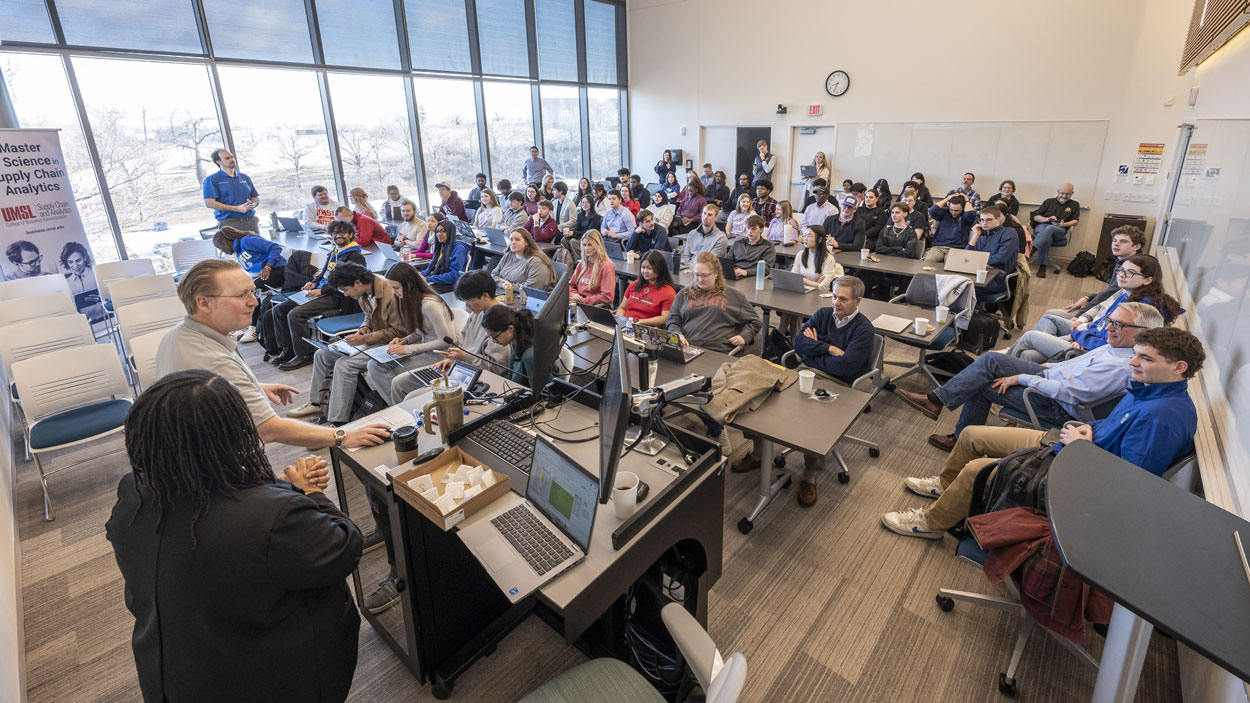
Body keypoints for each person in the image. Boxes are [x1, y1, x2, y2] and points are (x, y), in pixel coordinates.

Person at [106, 370, 363, 703]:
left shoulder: (134, 493)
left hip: (176, 672)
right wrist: (310, 493)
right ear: (231, 433)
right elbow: (344, 547)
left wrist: (286, 492)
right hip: (266, 677)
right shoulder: (271, 517)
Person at [882, 326, 1203, 540]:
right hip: (1070, 445)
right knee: (971, 436)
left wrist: (1083, 446)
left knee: (976, 470)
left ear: (1179, 368)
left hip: (1076, 470)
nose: (1132, 362)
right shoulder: (1147, 388)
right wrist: (1087, 429)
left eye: (1145, 358)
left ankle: (932, 523)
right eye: (1135, 353)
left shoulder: (1163, 418)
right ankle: (945, 488)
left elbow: (1125, 482)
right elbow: (1109, 428)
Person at [156, 259, 387, 449]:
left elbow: (213, 385)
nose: (254, 301)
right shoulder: (210, 358)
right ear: (204, 303)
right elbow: (268, 428)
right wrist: (343, 436)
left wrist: (253, 385)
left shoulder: (178, 336)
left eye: (252, 292)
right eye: (242, 295)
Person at [897, 302, 1163, 449]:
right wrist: (1045, 369)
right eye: (1110, 321)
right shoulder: (1118, 346)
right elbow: (1073, 373)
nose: (1109, 328)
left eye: (1118, 324)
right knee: (991, 360)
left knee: (982, 384)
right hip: (1052, 379)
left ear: (1143, 331)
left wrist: (1022, 378)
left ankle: (953, 428)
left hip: (1058, 405)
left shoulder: (1123, 365)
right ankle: (937, 401)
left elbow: (1068, 393)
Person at [286, 263, 406, 426]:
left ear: (357, 283)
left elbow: (399, 333)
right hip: (375, 340)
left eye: (345, 290)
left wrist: (364, 339)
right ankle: (317, 404)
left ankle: (338, 420)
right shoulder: (365, 291)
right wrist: (364, 328)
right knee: (321, 355)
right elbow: (368, 315)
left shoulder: (389, 294)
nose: (346, 295)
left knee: (345, 365)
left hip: (391, 345)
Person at [1009, 254, 1181, 362]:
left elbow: (1111, 340)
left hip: (1092, 353)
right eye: (1121, 270)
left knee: (1031, 338)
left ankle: (1004, 363)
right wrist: (1079, 334)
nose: (1121, 275)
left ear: (1148, 280)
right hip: (1087, 341)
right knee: (1029, 354)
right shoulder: (1126, 293)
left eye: (1129, 273)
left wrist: (1079, 337)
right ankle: (1011, 370)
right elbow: (1100, 325)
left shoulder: (1140, 307)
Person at [270, 219, 368, 369]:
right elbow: (324, 273)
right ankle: (287, 349)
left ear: (350, 234)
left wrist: (322, 290)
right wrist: (314, 283)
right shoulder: (335, 251)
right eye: (334, 232)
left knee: (295, 314)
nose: (338, 235)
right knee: (279, 309)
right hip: (319, 291)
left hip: (336, 296)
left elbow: (349, 283)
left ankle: (304, 354)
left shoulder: (354, 256)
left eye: (342, 232)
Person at [363, 262, 458, 404]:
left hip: (439, 355)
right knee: (373, 365)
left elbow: (445, 340)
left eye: (396, 288)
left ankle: (398, 408)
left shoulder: (430, 304)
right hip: (425, 350)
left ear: (409, 285)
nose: (394, 292)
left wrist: (407, 348)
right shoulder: (414, 300)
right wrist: (405, 340)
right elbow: (422, 330)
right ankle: (396, 405)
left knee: (394, 376)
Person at [667, 251, 762, 353]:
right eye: (696, 275)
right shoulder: (683, 294)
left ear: (716, 274)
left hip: (718, 350)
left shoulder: (734, 296)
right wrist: (678, 335)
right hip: (687, 348)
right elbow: (673, 321)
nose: (700, 279)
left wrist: (744, 336)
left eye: (705, 275)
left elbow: (756, 321)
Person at [1048, 226, 1146, 321]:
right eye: (1115, 240)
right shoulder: (1122, 262)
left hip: (1111, 313)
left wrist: (1080, 315)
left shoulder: (1131, 269)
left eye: (1123, 241)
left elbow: (1109, 294)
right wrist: (1088, 297)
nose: (1116, 244)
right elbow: (1110, 291)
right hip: (1106, 305)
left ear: (1136, 246)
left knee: (1050, 315)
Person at [431, 271, 511, 377]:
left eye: (470, 301)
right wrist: (453, 359)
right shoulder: (476, 313)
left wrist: (464, 357)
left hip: (482, 376)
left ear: (485, 296)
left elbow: (497, 368)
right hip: (464, 368)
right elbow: (463, 344)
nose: (467, 306)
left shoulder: (500, 320)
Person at [212, 226, 286, 334]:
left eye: (220, 248)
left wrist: (267, 267)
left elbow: (275, 247)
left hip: (277, 270)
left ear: (225, 243)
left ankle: (253, 328)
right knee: (238, 290)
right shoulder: (237, 251)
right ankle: (245, 324)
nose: (222, 251)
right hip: (261, 275)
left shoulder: (247, 241)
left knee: (250, 291)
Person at [481, 304, 545, 385]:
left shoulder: (530, 356)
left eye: (495, 336)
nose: (494, 341)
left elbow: (540, 393)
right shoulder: (514, 343)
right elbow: (511, 378)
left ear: (510, 329)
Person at [1029, 183, 1080, 278]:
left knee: (1050, 228)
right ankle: (1042, 267)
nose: (1064, 196)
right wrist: (1047, 219)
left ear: (1072, 193)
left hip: (1059, 230)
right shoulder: (1048, 201)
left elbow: (1075, 221)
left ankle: (1032, 249)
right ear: (1058, 191)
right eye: (1062, 193)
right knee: (1046, 236)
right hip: (1042, 226)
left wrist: (1063, 224)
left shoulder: (1074, 204)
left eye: (1067, 194)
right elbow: (1036, 217)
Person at [202, 148, 259, 232]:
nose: (232, 160)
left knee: (257, 245)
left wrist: (253, 204)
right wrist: (236, 208)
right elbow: (209, 203)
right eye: (227, 158)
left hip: (251, 222)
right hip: (229, 224)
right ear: (218, 162)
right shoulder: (212, 180)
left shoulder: (245, 177)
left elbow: (255, 197)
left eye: (232, 157)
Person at [966, 204, 1019, 295]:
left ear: (998, 219)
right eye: (982, 220)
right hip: (978, 274)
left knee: (964, 287)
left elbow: (1000, 259)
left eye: (989, 220)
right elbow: (966, 258)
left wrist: (976, 261)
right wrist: (975, 236)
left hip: (997, 278)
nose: (984, 223)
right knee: (953, 283)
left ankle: (974, 309)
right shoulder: (981, 236)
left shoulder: (1009, 232)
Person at [618, 250, 677, 327]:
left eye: (650, 268)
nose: (645, 271)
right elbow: (622, 307)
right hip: (626, 326)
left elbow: (665, 318)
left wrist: (639, 322)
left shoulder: (668, 292)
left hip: (646, 329)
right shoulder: (634, 285)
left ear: (660, 269)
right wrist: (620, 321)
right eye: (643, 267)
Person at [491, 228, 557, 296]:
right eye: (511, 239)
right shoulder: (509, 255)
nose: (513, 242)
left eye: (517, 239)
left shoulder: (536, 261)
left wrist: (510, 286)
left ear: (526, 242)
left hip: (528, 299)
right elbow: (493, 275)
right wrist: (502, 285)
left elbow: (531, 288)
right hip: (506, 293)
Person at [922, 194, 977, 262]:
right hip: (938, 247)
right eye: (951, 210)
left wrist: (966, 200)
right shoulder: (944, 212)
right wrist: (947, 199)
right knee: (928, 260)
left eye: (957, 210)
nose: (953, 213)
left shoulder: (966, 217)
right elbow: (932, 211)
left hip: (956, 248)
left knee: (950, 263)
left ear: (963, 208)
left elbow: (970, 214)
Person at [58, 241, 104, 321]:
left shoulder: (98, 274)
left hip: (105, 319)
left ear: (85, 258)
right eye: (71, 262)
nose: (75, 266)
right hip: (84, 323)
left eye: (78, 260)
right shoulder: (67, 283)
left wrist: (102, 298)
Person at [569, 231, 617, 307]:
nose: (586, 248)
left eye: (590, 245)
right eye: (584, 245)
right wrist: (574, 294)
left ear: (598, 245)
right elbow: (571, 285)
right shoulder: (582, 264)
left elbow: (607, 296)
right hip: (578, 301)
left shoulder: (606, 266)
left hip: (593, 306)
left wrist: (584, 301)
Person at [423, 219, 471, 293]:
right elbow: (431, 266)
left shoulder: (459, 248)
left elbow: (454, 275)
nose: (439, 234)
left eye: (443, 231)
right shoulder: (443, 245)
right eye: (438, 231)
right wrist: (420, 275)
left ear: (450, 232)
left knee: (416, 291)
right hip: (439, 280)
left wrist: (428, 279)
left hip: (451, 285)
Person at [791, 225, 842, 290]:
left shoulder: (828, 258)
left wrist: (802, 279)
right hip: (802, 291)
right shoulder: (800, 254)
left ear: (820, 239)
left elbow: (824, 286)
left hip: (817, 296)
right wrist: (816, 284)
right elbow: (793, 278)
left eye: (809, 236)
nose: (805, 239)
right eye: (804, 235)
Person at [682, 204, 729, 269]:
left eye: (709, 215)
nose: (705, 217)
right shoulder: (692, 234)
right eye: (704, 213)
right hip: (688, 269)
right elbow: (685, 257)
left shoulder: (721, 239)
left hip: (705, 273)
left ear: (715, 218)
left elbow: (710, 263)